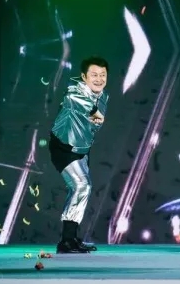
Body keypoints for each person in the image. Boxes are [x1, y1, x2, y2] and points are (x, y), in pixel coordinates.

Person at [49, 56, 109, 253]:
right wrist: (94, 111)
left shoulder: (103, 96)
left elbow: (95, 124)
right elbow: (74, 100)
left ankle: (71, 238)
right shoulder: (74, 91)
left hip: (82, 149)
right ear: (84, 77)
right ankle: (66, 241)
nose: (99, 79)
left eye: (102, 75)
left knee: (82, 189)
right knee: (81, 186)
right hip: (64, 148)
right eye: (94, 75)